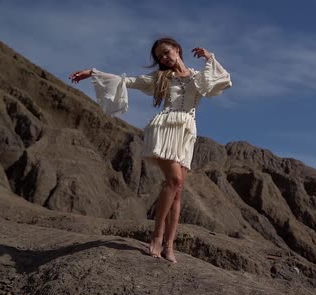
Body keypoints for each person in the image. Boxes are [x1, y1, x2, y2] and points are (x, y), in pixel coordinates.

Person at [69, 37, 232, 263]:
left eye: (166, 52)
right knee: (174, 182)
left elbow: (222, 79)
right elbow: (129, 81)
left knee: (178, 190)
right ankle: (156, 236)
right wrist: (93, 72)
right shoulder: (160, 78)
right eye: (160, 56)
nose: (164, 58)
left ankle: (169, 245)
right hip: (164, 129)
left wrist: (209, 57)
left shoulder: (197, 77)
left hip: (186, 133)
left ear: (177, 49)